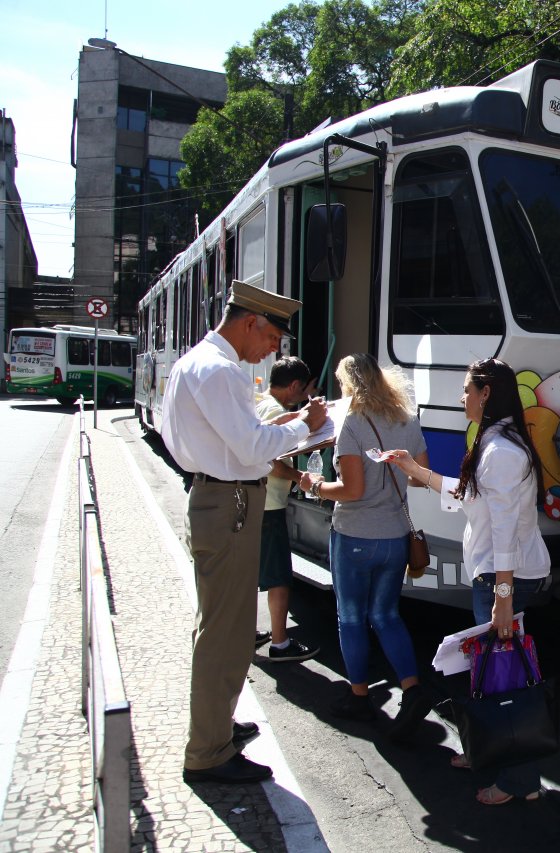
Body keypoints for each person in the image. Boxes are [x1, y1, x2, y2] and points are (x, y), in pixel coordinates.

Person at [162, 280, 327, 785]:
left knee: (222, 623)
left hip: (219, 497)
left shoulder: (197, 362)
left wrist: (292, 422)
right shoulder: (220, 371)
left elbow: (229, 439)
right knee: (226, 632)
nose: (274, 349)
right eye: (273, 337)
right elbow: (253, 446)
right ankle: (209, 751)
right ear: (251, 322)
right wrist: (305, 427)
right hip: (230, 502)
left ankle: (216, 724)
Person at [387, 358, 550, 806]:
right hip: (502, 578)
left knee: (506, 678)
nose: (461, 398)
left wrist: (502, 595)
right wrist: (412, 469)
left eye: (466, 390)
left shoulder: (500, 451)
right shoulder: (498, 444)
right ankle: (486, 752)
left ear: (486, 394)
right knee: (491, 670)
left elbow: (501, 529)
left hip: (504, 580)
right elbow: (467, 496)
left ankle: (520, 781)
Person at [303, 353, 431, 740]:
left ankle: (359, 697)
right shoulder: (406, 420)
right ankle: (412, 689)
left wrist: (315, 486)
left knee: (352, 618)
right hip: (394, 536)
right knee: (387, 615)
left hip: (355, 535)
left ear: (350, 385)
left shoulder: (352, 424)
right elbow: (421, 478)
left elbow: (352, 490)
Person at [254, 357, 320, 663]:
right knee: (278, 575)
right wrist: (299, 477)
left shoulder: (260, 405)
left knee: (250, 572)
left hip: (255, 503)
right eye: (305, 390)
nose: (306, 397)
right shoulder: (277, 413)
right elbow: (270, 461)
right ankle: (280, 643)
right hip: (269, 507)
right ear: (293, 386)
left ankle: (247, 631)